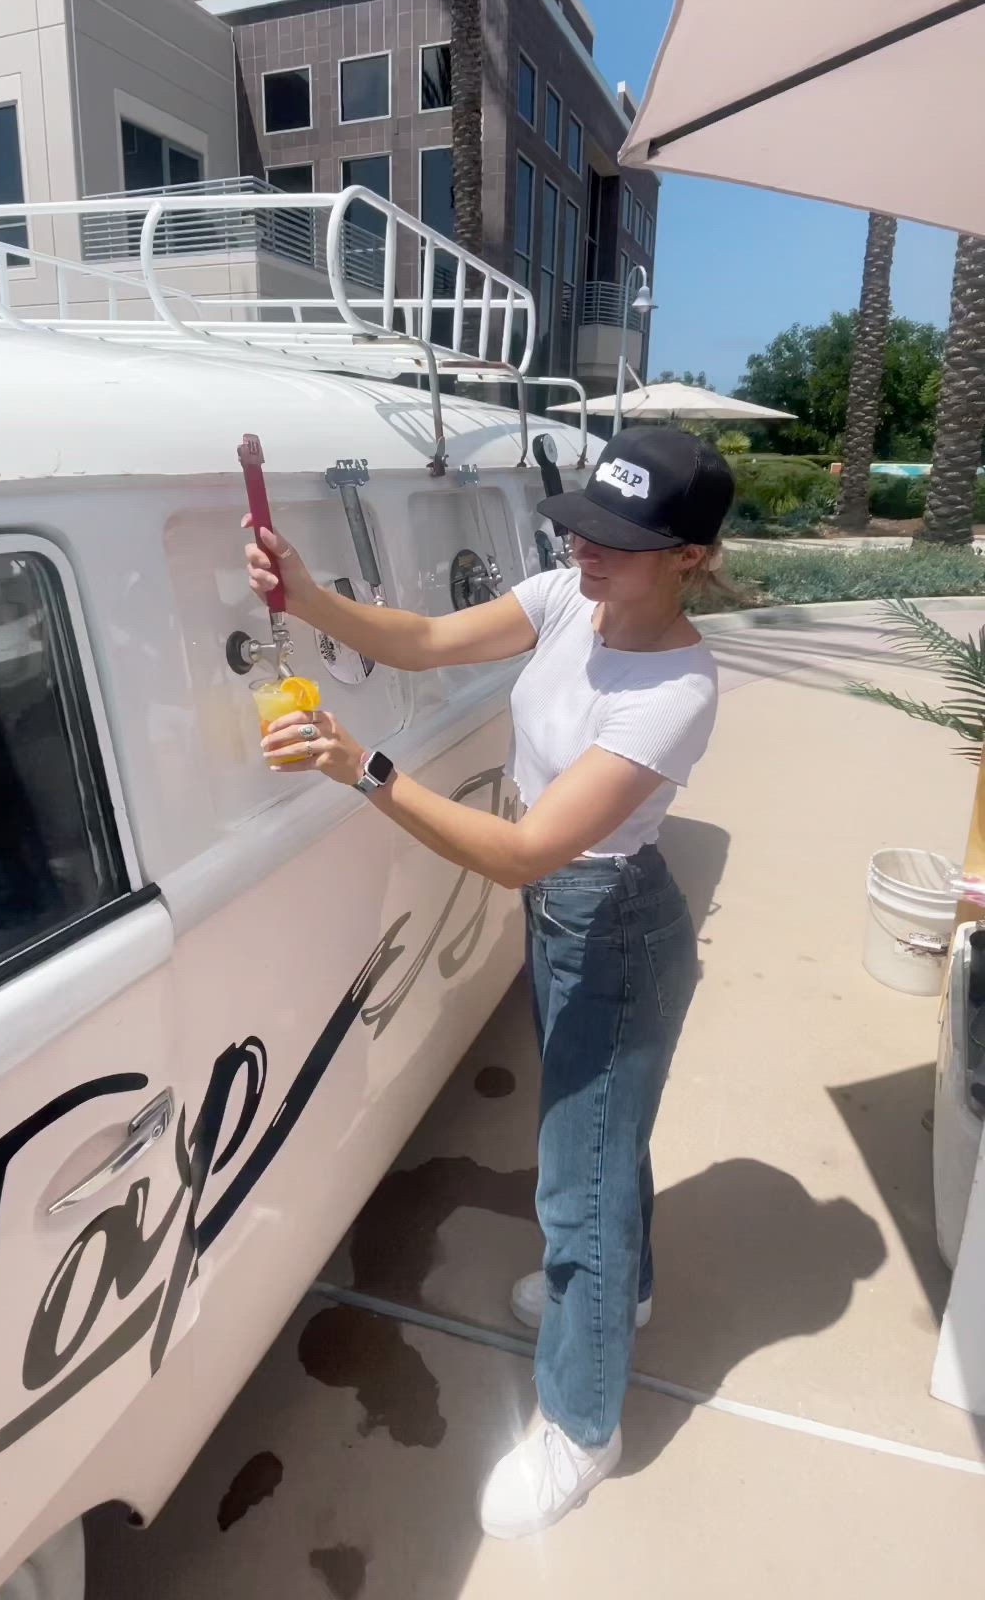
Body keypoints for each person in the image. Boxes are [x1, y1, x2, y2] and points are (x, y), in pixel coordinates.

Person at [245, 426, 733, 1540]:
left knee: (577, 1187)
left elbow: (524, 852)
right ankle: (626, 1297)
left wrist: (359, 766)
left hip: (608, 924)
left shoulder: (678, 687)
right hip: (572, 916)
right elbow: (421, 640)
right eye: (582, 530)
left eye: (618, 541)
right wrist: (310, 598)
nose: (586, 554)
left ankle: (582, 1422)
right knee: (603, 1148)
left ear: (691, 557)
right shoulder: (572, 597)